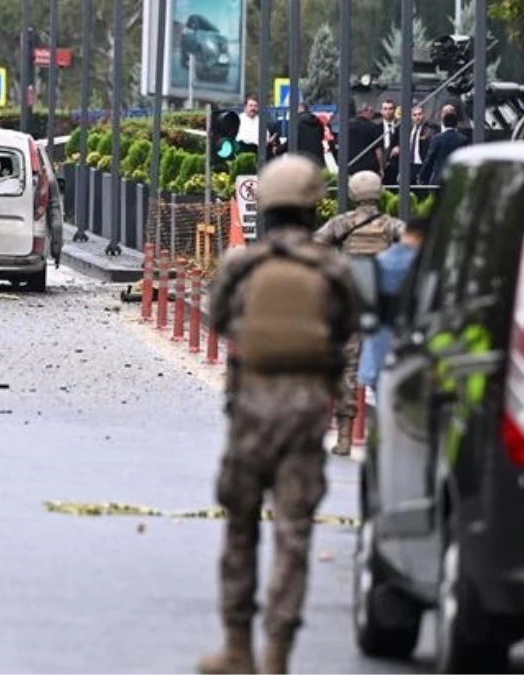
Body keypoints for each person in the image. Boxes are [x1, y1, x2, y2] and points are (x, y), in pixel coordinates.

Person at [200, 154, 360, 675]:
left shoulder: (243, 265)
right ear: (315, 207)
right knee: (294, 533)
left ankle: (236, 646)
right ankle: (277, 655)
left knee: (241, 526)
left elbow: (217, 316)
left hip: (251, 407)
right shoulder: (331, 268)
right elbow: (349, 324)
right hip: (306, 412)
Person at [313, 171, 404, 456]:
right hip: (383, 306)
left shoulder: (343, 223)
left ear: (353, 193)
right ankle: (389, 439)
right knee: (390, 367)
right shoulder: (392, 226)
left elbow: (315, 246)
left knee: (347, 369)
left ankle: (344, 438)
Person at [358, 215, 427, 396]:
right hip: (409, 353)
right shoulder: (423, 265)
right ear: (421, 236)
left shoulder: (378, 261)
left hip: (375, 350)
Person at [420, 110, 470, 186]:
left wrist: (422, 175)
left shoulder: (436, 139)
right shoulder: (463, 139)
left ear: (443, 123)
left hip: (439, 179)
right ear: (456, 124)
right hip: (456, 180)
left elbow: (429, 159)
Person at [345, 101, 384, 176]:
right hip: (369, 168)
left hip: (351, 167)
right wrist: (381, 168)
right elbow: (378, 151)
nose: (372, 115)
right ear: (366, 111)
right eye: (372, 112)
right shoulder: (374, 127)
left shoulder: (347, 127)